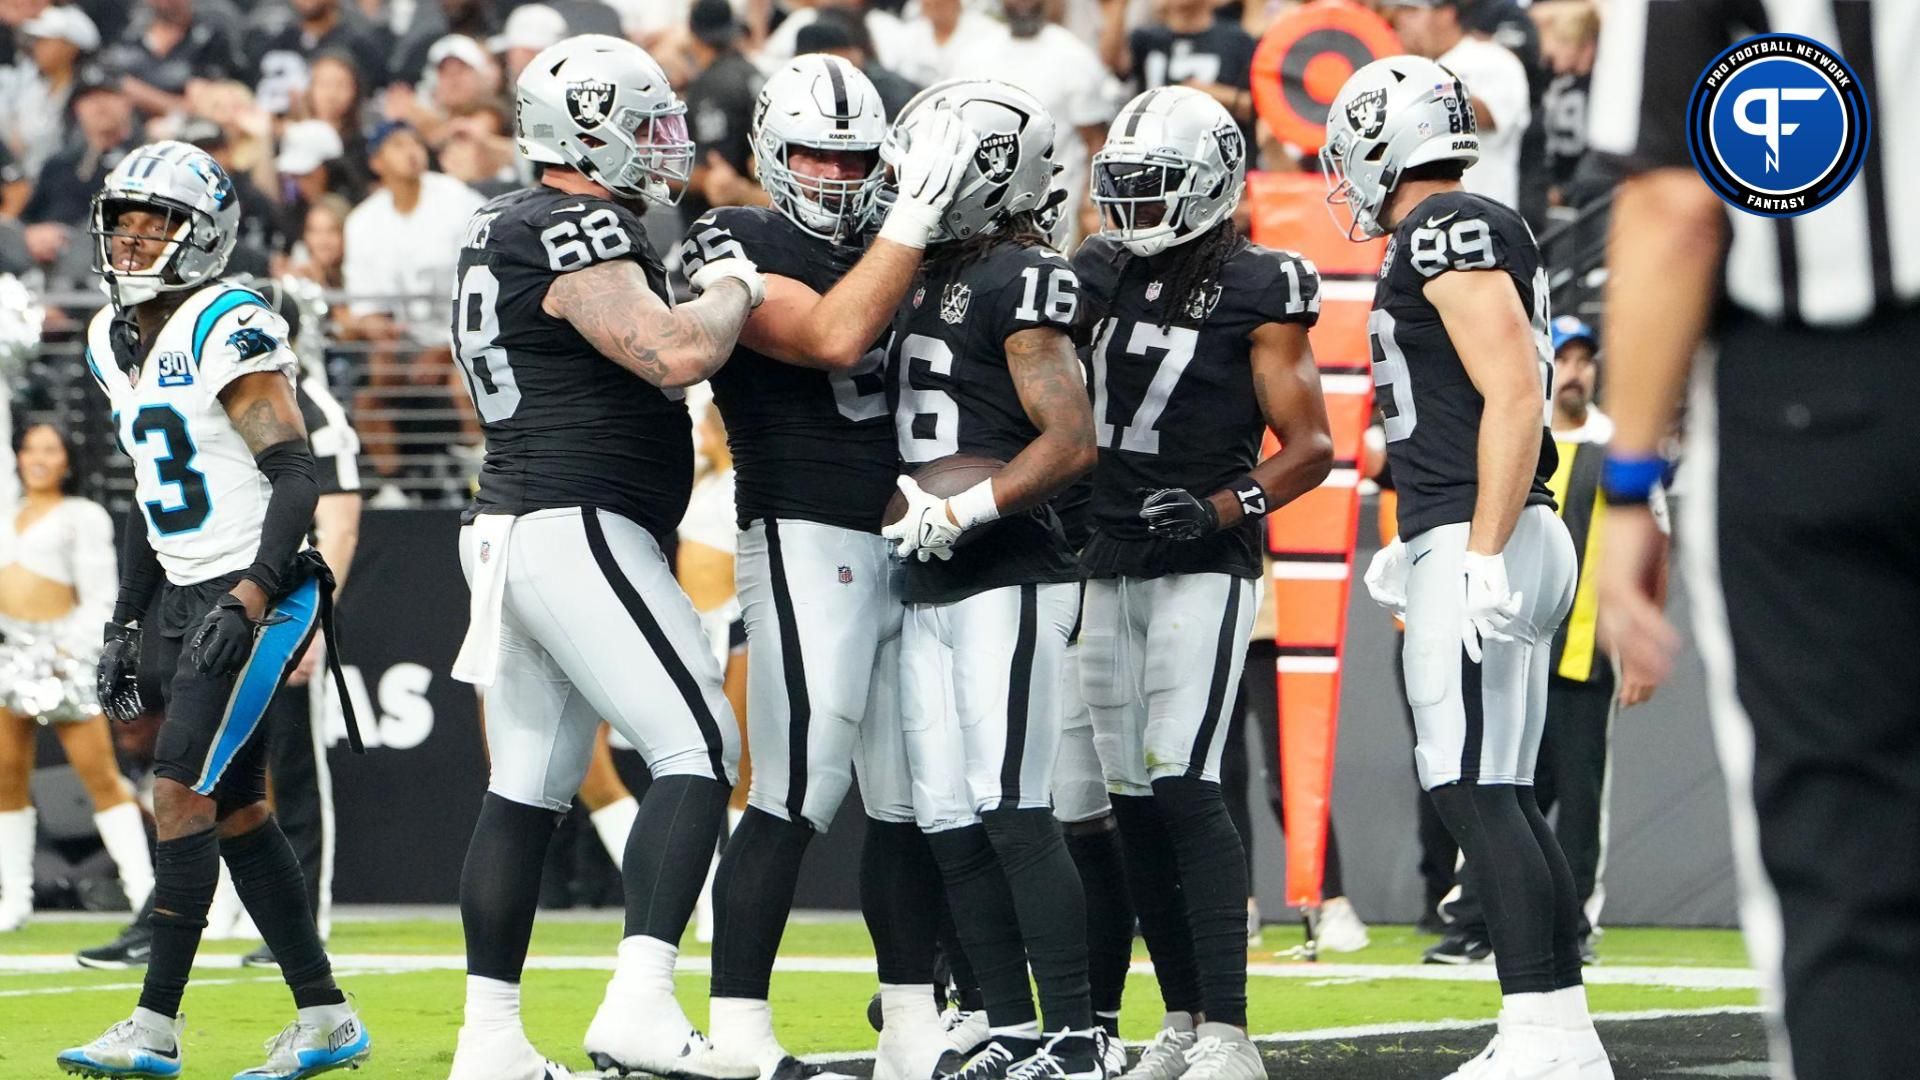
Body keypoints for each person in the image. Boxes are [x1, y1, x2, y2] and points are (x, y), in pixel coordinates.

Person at [1590, 4, 1914, 1076]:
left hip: (1821, 400)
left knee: (1842, 866)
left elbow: (1676, 204)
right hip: (1820, 395)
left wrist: (1631, 483)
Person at [442, 34, 766, 1080]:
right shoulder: (574, 221)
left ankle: (487, 1042)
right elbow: (674, 352)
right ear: (589, 128)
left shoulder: (498, 223)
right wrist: (736, 288)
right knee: (702, 744)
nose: (664, 143)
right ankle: (641, 1004)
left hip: (514, 524)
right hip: (573, 519)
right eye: (648, 121)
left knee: (527, 786)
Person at [673, 54, 974, 1080]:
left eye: (855, 159)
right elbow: (839, 337)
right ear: (769, 152)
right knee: (797, 783)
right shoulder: (738, 237)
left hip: (915, 535)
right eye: (814, 155)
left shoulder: (909, 235)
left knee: (909, 795)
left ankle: (910, 1022)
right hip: (805, 531)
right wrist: (915, 224)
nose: (838, 177)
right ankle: (741, 1027)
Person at [58, 138, 371, 1078]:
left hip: (258, 588)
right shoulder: (111, 341)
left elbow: (296, 472)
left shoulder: (225, 318)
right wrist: (121, 623)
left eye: (157, 224)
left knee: (181, 787)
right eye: (124, 221)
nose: (133, 239)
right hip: (185, 585)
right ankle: (326, 1017)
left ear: (202, 237)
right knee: (236, 811)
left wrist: (251, 590)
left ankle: (154, 1026)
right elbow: (149, 498)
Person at [1325, 57, 1604, 1077]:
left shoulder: (1445, 225)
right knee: (1498, 790)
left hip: (1491, 533)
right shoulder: (1448, 228)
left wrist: (1476, 548)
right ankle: (1556, 1031)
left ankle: (1545, 1036)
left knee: (1474, 790)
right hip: (1477, 526)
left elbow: (1515, 393)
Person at [1075, 85, 1331, 1080]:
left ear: (1216, 184)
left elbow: (1310, 447)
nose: (1133, 208)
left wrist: (1225, 507)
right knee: (1131, 796)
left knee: (1185, 783)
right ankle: (1179, 1020)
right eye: (1124, 186)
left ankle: (1230, 1029)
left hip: (1200, 564)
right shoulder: (1093, 268)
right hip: (1103, 557)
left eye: (1157, 187)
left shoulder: (1260, 283)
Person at [880, 79, 1101, 1080]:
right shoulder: (911, 269)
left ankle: (1078, 1035)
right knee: (948, 819)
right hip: (923, 575)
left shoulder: (1024, 275)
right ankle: (1009, 1025)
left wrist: (964, 509)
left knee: (1013, 805)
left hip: (1006, 567)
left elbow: (1071, 438)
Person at [1425, 316, 1650, 970]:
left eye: (1585, 359)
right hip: (1509, 638)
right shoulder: (1514, 432)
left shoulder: (1618, 445)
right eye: (1565, 358)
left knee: (1578, 800)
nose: (1575, 371)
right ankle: (1476, 917)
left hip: (1584, 652)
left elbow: (1651, 544)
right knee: (1495, 782)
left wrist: (1634, 634)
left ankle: (1572, 926)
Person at [0, 424, 153, 934]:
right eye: (30, 449)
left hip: (62, 653)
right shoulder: (6, 509)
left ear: (67, 460)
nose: (38, 459)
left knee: (100, 775)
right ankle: (15, 898)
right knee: (6, 778)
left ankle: (143, 893)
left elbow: (101, 592)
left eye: (51, 449)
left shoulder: (82, 516)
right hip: (10, 655)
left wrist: (70, 650)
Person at [1381, 0, 1532, 215]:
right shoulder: (1401, 68)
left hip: (1482, 222)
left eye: (1412, 11)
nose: (1399, 21)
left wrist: (1416, 84)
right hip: (1416, 221)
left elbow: (1489, 116)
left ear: (1446, 13)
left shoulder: (1492, 59)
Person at [1108, 0, 1257, 147]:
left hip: (1215, 150)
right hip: (1153, 149)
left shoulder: (1237, 41)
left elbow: (1259, 108)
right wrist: (1118, 6)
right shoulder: (1145, 39)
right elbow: (1114, 63)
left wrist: (1212, 96)